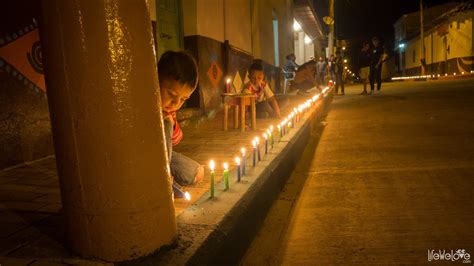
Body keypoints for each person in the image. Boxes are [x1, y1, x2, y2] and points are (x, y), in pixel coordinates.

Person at [158, 50, 204, 195]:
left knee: (196, 173)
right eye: (171, 94)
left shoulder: (169, 110)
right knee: (165, 124)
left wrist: (171, 122)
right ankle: (162, 178)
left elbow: (175, 140)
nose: (176, 103)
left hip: (164, 155)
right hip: (145, 156)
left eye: (183, 99)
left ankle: (165, 173)